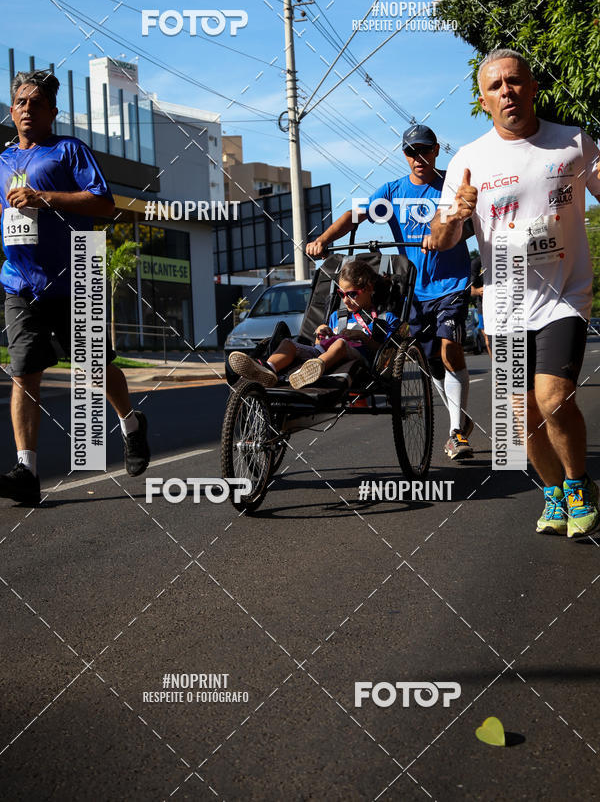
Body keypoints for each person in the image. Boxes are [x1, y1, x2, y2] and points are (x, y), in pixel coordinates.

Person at [430, 48, 600, 537]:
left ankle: (578, 483)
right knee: (519, 416)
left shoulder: (572, 143)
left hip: (565, 294)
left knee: (553, 397)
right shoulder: (469, 160)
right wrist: (456, 213)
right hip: (503, 307)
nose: (507, 91)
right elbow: (440, 243)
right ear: (483, 101)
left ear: (533, 87)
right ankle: (552, 492)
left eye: (515, 81)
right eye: (495, 86)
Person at [0, 70, 150, 506]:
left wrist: (44, 198)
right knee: (24, 371)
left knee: (93, 370)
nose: (27, 109)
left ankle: (131, 424)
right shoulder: (3, 160)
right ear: (12, 111)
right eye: (20, 102)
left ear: (52, 112)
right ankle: (27, 470)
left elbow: (103, 203)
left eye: (36, 103)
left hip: (72, 278)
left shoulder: (69, 151)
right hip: (19, 282)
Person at [306, 124, 475, 460]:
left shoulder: (450, 186)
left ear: (436, 150)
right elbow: (354, 216)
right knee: (431, 364)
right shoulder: (392, 193)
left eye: (425, 150)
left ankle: (456, 432)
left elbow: (469, 224)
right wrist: (324, 240)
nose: (419, 158)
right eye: (412, 152)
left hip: (452, 283)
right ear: (404, 155)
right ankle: (461, 419)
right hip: (414, 289)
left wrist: (444, 236)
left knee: (449, 349)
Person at [229, 260, 399, 389]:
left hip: (362, 361)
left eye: (352, 294)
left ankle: (312, 369)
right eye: (341, 294)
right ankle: (267, 369)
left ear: (369, 288)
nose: (345, 300)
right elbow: (320, 346)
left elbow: (390, 354)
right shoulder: (337, 316)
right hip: (321, 354)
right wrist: (321, 334)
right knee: (288, 343)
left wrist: (363, 337)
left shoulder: (385, 318)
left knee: (340, 344)